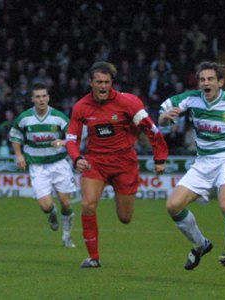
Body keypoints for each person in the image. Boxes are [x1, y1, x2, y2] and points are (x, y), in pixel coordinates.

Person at [65, 61, 168, 268]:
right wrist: (77, 158)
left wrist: (160, 157)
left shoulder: (129, 102)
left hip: (124, 163)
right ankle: (93, 258)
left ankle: (119, 196)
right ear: (90, 83)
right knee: (87, 205)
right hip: (95, 161)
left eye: (106, 82)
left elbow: (152, 129)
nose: (103, 86)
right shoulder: (81, 107)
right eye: (98, 82)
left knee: (125, 218)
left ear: (112, 83)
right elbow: (71, 138)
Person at [158, 61, 225, 277]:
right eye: (202, 79)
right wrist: (165, 118)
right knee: (173, 205)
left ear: (220, 82)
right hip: (203, 161)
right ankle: (201, 245)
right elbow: (162, 116)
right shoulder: (191, 99)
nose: (205, 83)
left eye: (210, 79)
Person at [9, 83, 77, 247]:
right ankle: (51, 213)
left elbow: (73, 137)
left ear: (48, 98)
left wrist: (62, 141)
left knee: (66, 203)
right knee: (46, 206)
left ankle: (66, 237)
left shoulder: (59, 117)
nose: (41, 99)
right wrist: (19, 156)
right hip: (37, 166)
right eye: (37, 96)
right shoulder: (25, 118)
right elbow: (15, 136)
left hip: (59, 163)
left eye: (44, 96)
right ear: (32, 99)